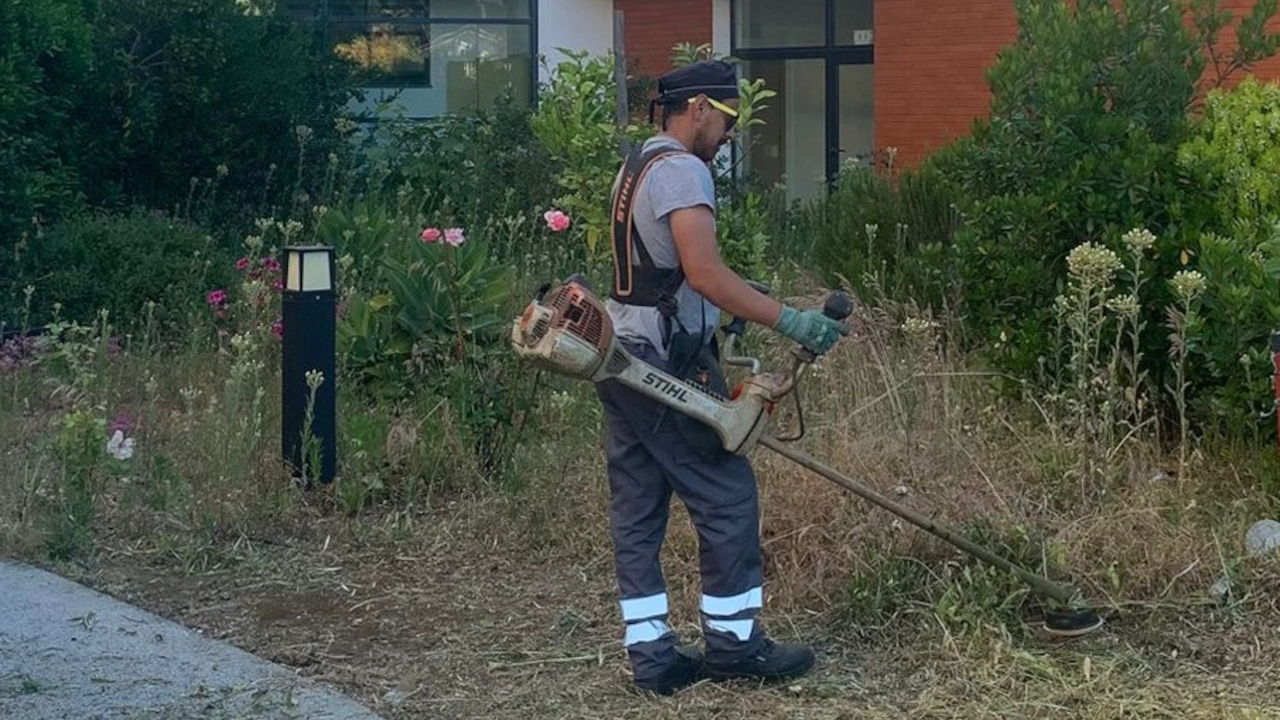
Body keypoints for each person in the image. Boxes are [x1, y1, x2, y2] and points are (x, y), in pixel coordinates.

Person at [595, 59, 849, 696]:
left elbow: (665, 270)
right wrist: (790, 319)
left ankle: (653, 662)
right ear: (700, 106)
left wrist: (732, 299)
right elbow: (703, 272)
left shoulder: (638, 164)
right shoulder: (683, 169)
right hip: (664, 366)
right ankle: (736, 647)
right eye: (729, 119)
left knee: (638, 509)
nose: (730, 133)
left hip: (618, 354)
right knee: (727, 493)